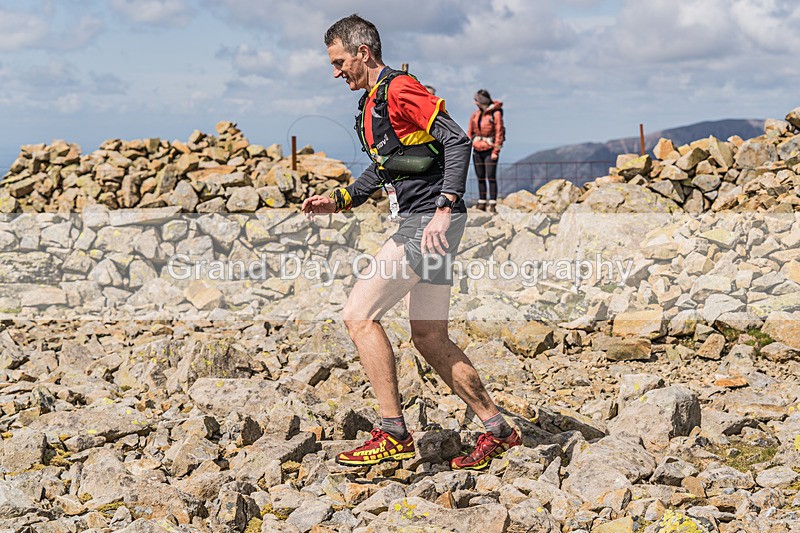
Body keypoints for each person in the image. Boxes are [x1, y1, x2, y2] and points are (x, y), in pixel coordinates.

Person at [302, 14, 521, 471]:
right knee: (428, 334)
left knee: (359, 316)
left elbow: (457, 142)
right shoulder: (372, 104)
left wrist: (443, 207)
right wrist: (339, 199)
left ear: (363, 52)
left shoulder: (399, 89)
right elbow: (385, 169)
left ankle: (393, 432)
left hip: (427, 224)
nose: (335, 72)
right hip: (432, 223)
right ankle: (499, 429)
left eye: (340, 61)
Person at [468, 89, 505, 213]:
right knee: (480, 177)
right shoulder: (475, 114)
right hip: (477, 148)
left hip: (490, 149)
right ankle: (482, 202)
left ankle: (493, 203)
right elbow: (470, 132)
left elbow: (499, 132)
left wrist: (496, 151)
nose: (475, 103)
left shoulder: (496, 114)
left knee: (491, 176)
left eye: (477, 100)